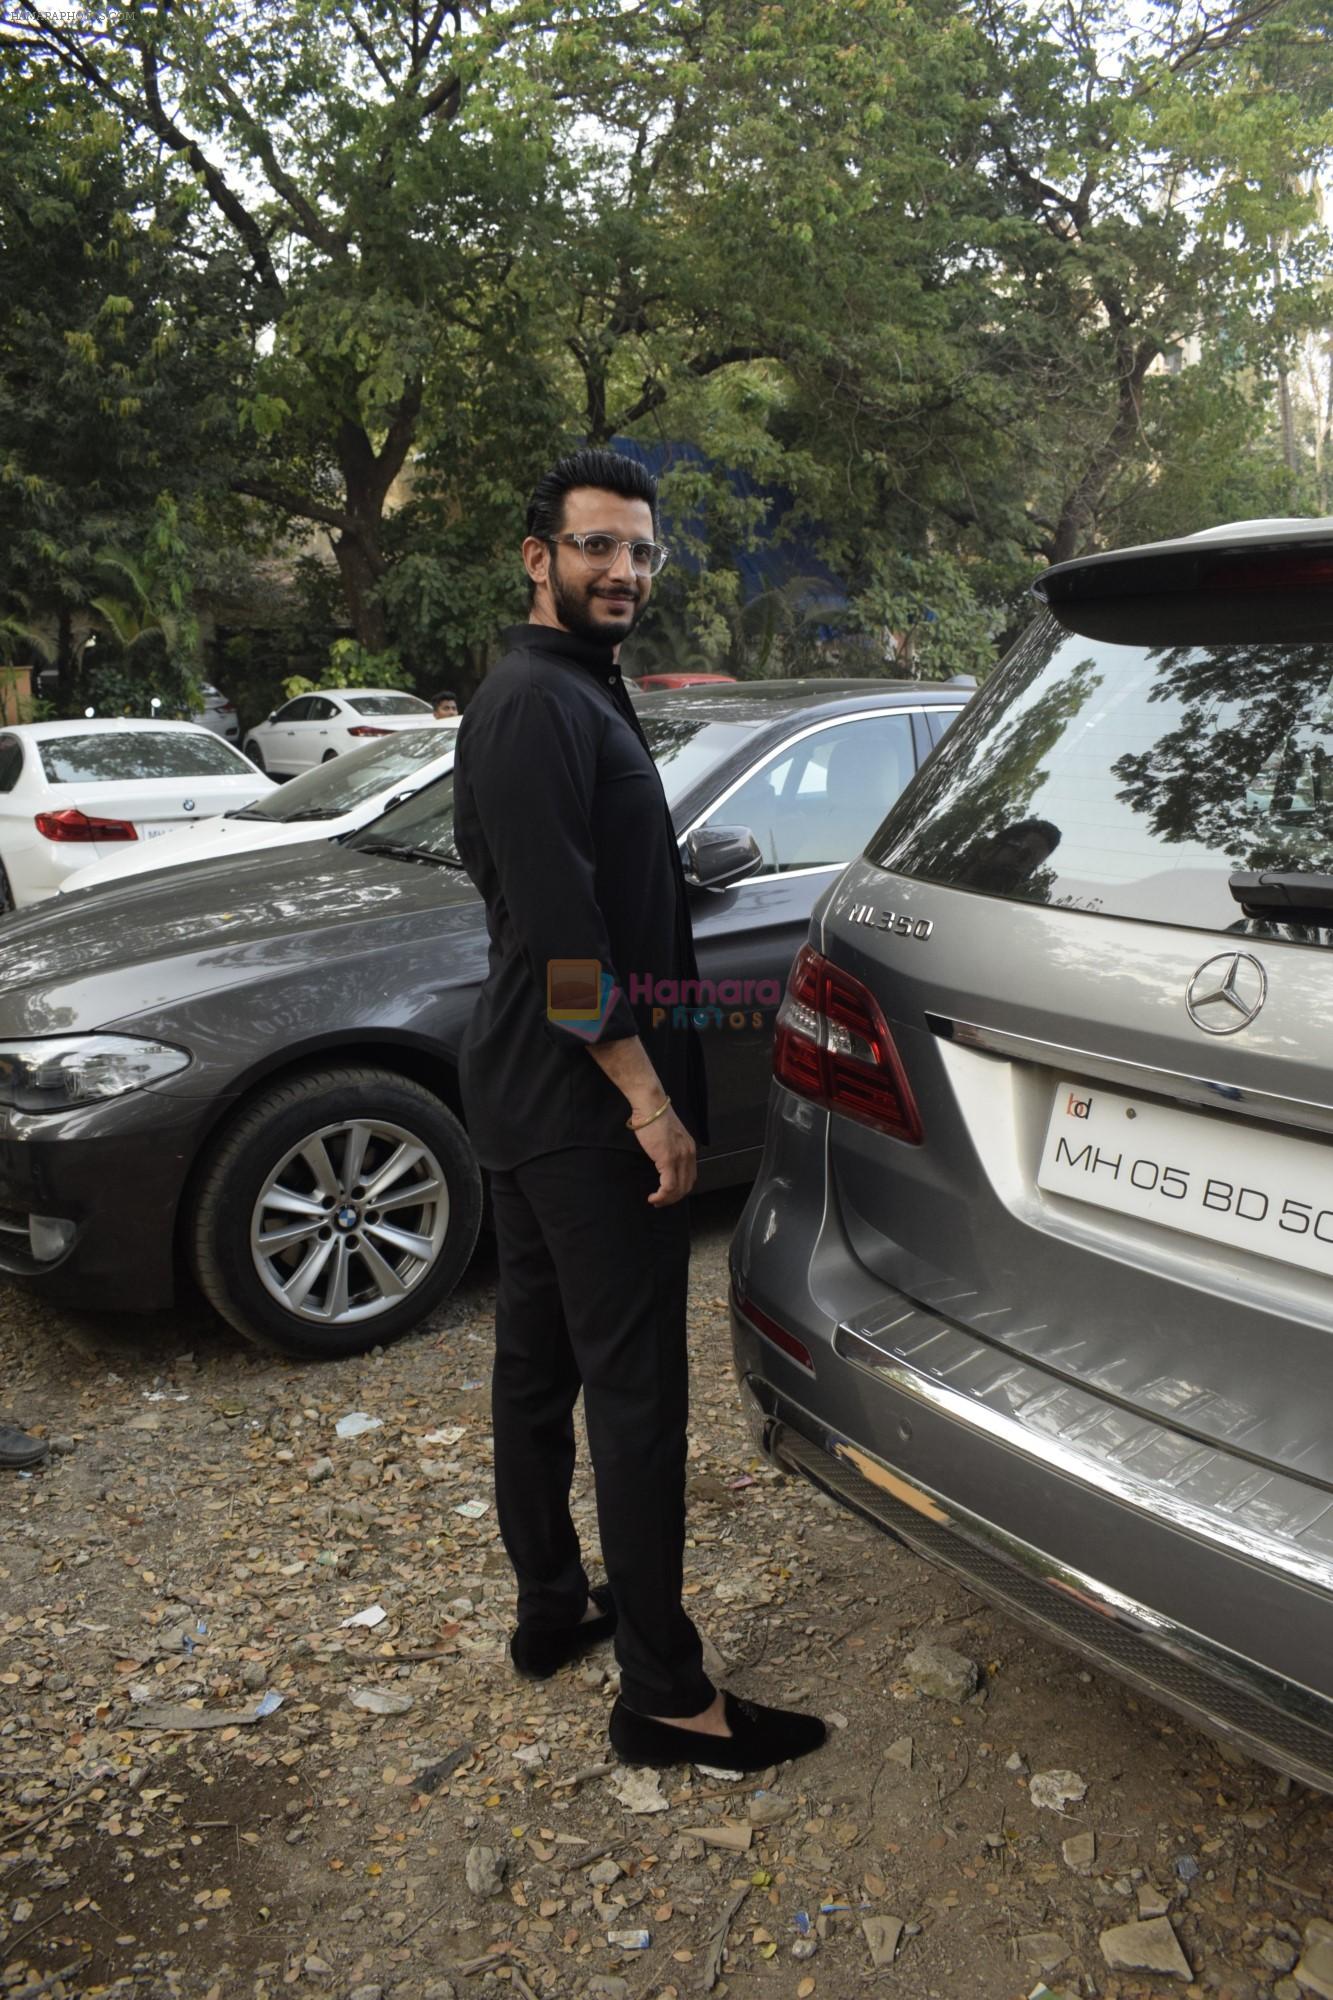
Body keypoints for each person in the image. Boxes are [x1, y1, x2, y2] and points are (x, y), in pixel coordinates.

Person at [452, 448, 825, 1773]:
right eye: (597, 546)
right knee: (632, 1398)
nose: (623, 571)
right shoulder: (534, 707)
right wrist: (649, 1105)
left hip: (528, 1089)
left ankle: (555, 1609)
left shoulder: (565, 692)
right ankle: (666, 1695)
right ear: (537, 556)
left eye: (640, 551)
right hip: (576, 1105)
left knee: (537, 1371)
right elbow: (561, 941)